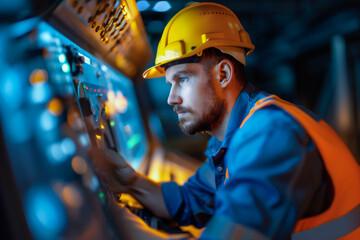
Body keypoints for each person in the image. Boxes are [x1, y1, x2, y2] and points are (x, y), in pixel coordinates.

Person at [91, 2, 360, 239]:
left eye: (182, 79)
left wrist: (113, 222)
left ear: (223, 75)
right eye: (170, 84)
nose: (171, 99)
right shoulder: (235, 136)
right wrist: (130, 182)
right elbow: (189, 202)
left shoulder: (271, 136)